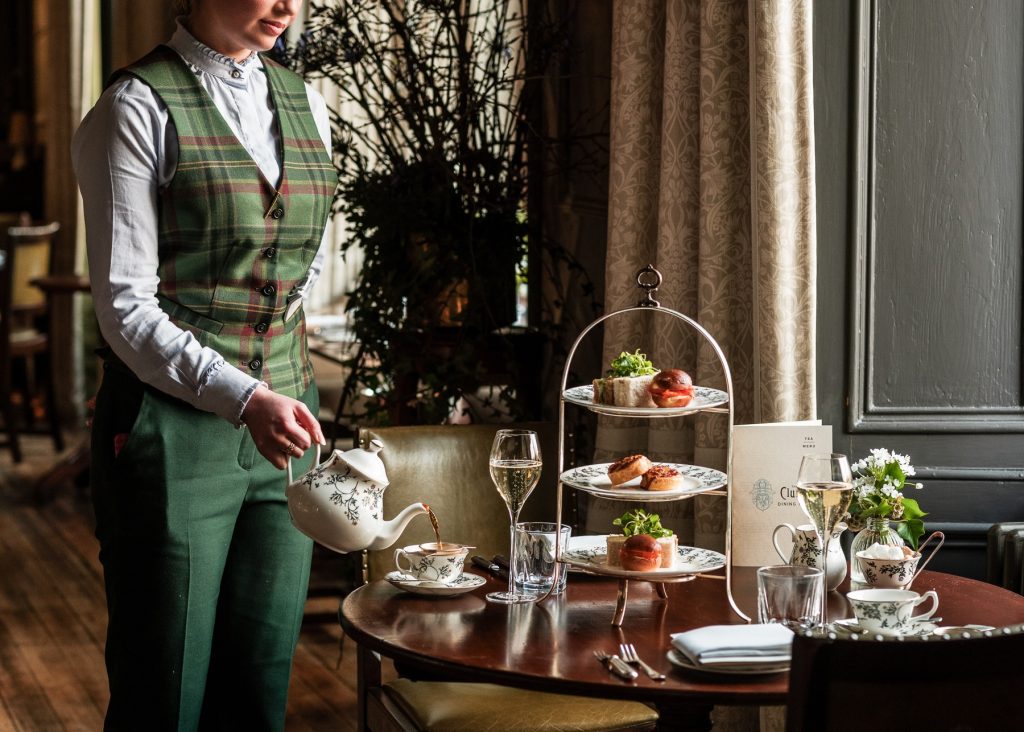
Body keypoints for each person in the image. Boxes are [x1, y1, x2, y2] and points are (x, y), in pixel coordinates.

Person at [72, 1, 335, 728]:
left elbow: (300, 262)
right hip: (169, 433)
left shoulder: (306, 101)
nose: (287, 5)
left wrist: (273, 376)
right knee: (166, 687)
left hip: (286, 431)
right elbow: (125, 307)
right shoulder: (133, 107)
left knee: (258, 684)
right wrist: (243, 395)